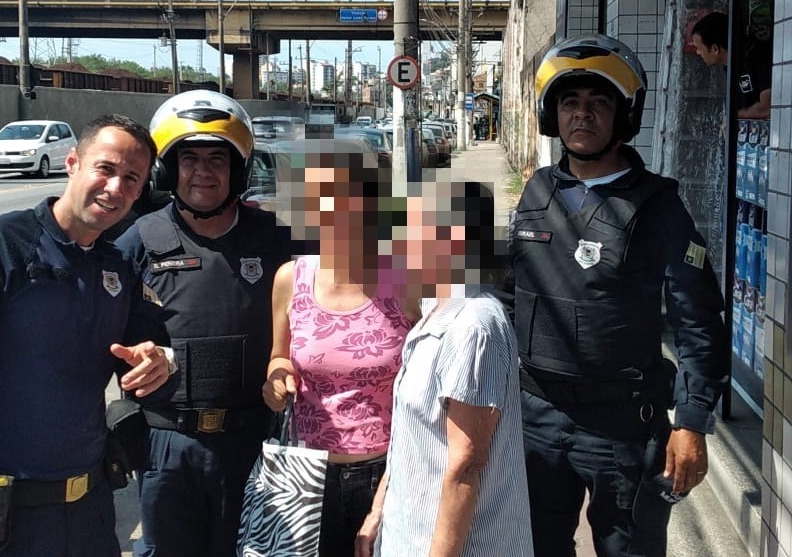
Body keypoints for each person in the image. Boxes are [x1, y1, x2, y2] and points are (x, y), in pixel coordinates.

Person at [511, 34, 729, 556]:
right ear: (552, 114)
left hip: (623, 427)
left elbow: (698, 320)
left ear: (624, 115)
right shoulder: (536, 190)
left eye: (599, 103)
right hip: (534, 417)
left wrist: (692, 422)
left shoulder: (659, 206)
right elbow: (505, 297)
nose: (582, 115)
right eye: (570, 102)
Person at [0, 113, 179, 557]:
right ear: (72, 163)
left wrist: (158, 360)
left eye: (131, 179)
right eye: (105, 168)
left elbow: (152, 344)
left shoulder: (116, 268)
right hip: (4, 523)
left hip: (91, 513)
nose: (115, 187)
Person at [114, 90, 294, 557]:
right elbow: (98, 331)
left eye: (217, 159)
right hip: (168, 444)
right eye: (189, 159)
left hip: (255, 441)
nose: (203, 171)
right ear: (167, 170)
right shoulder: (138, 242)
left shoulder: (277, 240)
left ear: (239, 170)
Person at [355, 179, 534, 557]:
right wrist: (378, 512)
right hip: (407, 537)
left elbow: (465, 466)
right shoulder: (433, 312)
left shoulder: (473, 327)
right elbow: (411, 437)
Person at [261, 144, 418, 556]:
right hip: (306, 477)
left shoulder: (405, 283)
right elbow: (279, 355)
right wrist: (277, 379)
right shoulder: (290, 279)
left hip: (389, 473)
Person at [691, 11, 771, 120]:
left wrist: (733, 117)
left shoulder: (758, 57)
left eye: (699, 48)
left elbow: (767, 109)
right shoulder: (729, 70)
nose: (698, 53)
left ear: (715, 49)